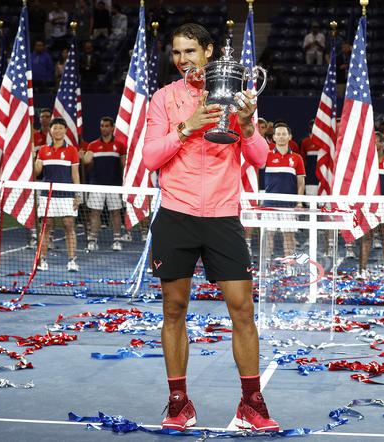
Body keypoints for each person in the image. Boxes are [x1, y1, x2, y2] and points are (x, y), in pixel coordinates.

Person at [142, 23, 279, 432]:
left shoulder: (234, 93)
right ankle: (178, 403)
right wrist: (188, 126)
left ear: (209, 52)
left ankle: (251, 404)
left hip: (222, 217)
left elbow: (259, 158)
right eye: (177, 53)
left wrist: (249, 123)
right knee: (174, 310)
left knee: (242, 310)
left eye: (190, 51)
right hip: (177, 215)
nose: (183, 60)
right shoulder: (165, 99)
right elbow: (151, 158)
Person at [34, 118, 82, 272]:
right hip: (47, 196)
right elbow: (37, 173)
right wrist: (33, 159)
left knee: (69, 226)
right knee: (46, 227)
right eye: (55, 128)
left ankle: (72, 260)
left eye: (61, 128)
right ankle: (42, 259)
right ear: (51, 130)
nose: (58, 130)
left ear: (65, 130)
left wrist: (78, 194)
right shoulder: (43, 150)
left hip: (66, 195)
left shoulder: (72, 150)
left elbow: (75, 175)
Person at [359, 132, 384, 280]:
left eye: (376, 142)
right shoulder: (365, 161)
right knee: (367, 238)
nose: (374, 144)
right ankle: (362, 270)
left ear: (383, 143)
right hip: (369, 204)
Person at [83, 116, 126, 251]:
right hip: (97, 184)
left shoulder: (119, 145)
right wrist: (86, 161)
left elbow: (123, 166)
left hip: (114, 184)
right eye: (102, 126)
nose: (104, 128)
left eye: (107, 126)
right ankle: (93, 239)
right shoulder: (93, 145)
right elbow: (88, 168)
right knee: (95, 212)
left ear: (112, 128)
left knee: (115, 212)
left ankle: (117, 239)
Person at [263, 123, 305, 258]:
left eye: (284, 134)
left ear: (290, 137)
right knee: (268, 236)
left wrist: (299, 202)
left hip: (289, 205)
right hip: (269, 204)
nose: (281, 137)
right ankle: (267, 265)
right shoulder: (266, 156)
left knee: (289, 237)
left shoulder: (297, 158)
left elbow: (300, 182)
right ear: (274, 137)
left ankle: (289, 266)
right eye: (278, 134)